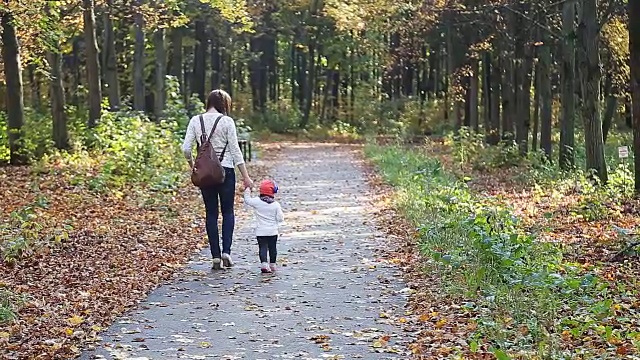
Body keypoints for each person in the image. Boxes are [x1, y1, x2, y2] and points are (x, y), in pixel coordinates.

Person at [182, 89, 253, 270]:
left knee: (211, 213)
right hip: (226, 170)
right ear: (224, 104)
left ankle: (214, 256)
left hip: (206, 174)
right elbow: (236, 151)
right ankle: (226, 252)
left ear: (209, 102)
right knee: (228, 212)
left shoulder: (195, 121)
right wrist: (246, 176)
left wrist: (193, 166)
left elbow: (186, 149)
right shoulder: (227, 121)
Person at [243, 179, 284, 273]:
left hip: (261, 232)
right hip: (273, 231)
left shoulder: (257, 202)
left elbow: (247, 200)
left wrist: (247, 188)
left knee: (263, 247)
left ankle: (264, 264)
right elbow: (280, 218)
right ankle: (272, 264)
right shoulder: (276, 205)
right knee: (273, 248)